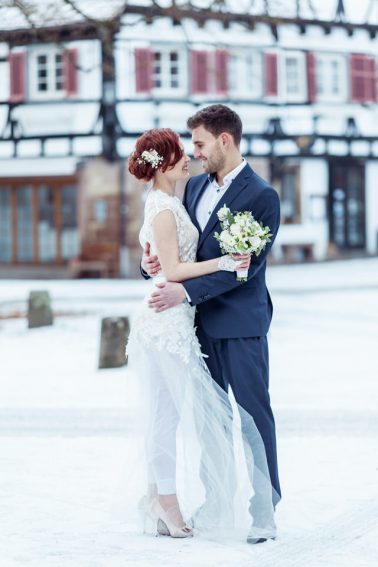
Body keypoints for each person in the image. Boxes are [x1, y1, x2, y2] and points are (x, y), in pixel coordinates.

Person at [127, 126, 277, 543]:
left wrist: (180, 277)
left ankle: (263, 510)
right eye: (186, 148)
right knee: (186, 418)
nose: (192, 154)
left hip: (235, 322)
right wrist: (152, 265)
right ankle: (189, 501)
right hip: (182, 320)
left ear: (224, 140)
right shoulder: (185, 192)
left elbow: (248, 268)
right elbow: (169, 257)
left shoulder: (261, 195)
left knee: (250, 417)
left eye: (199, 144)